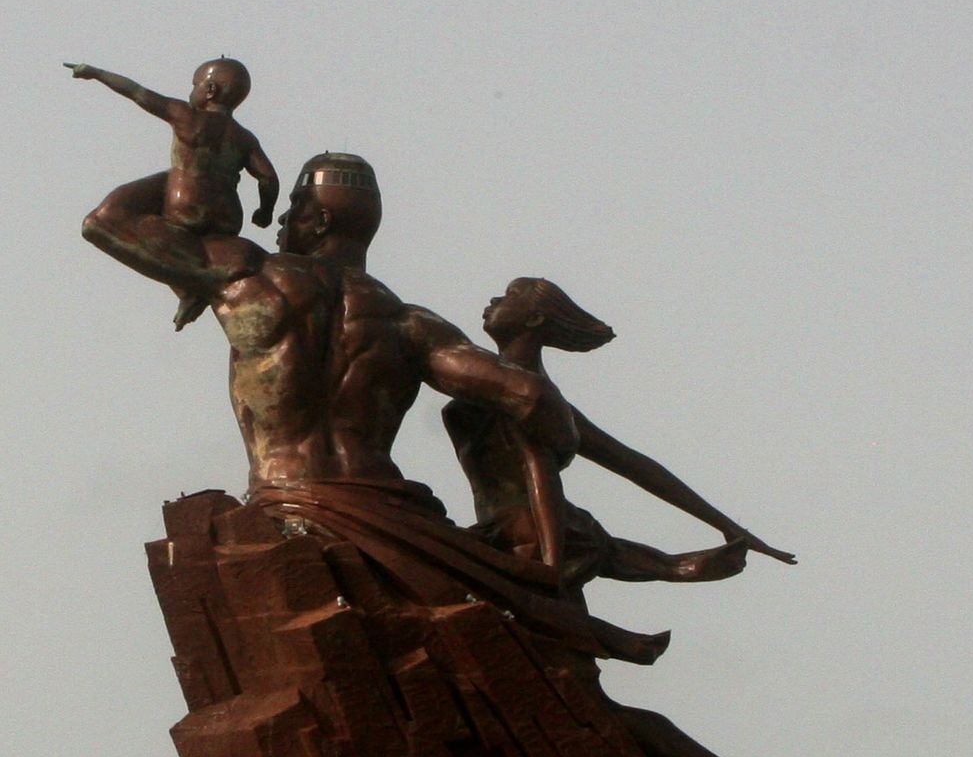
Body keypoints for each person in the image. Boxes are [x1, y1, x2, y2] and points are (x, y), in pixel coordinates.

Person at [79, 152, 667, 664]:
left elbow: (108, 223)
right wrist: (546, 458)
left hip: (290, 498)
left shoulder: (249, 274)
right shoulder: (411, 324)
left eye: (292, 210)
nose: (281, 222)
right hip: (392, 517)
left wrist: (200, 168)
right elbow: (530, 396)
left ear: (321, 219)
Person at [442, 276, 794, 757]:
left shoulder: (522, 390)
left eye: (506, 294)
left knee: (571, 700)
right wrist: (725, 526)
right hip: (512, 542)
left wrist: (549, 571)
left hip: (529, 548)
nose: (490, 300)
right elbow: (637, 465)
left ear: (531, 320)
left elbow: (540, 475)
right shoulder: (510, 384)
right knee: (577, 701)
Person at [66, 58, 279, 330]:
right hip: (227, 220)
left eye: (195, 85)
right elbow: (268, 178)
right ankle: (188, 289)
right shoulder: (244, 137)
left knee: (143, 225)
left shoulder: (186, 115)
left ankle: (189, 288)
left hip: (186, 210)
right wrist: (265, 211)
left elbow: (137, 92)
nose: (192, 91)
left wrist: (97, 73)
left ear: (210, 90)